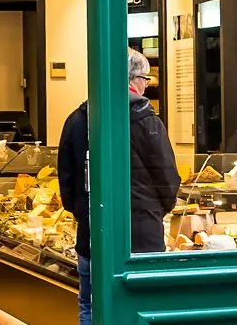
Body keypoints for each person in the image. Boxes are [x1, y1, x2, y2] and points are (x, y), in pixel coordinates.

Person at [57, 47, 181, 325]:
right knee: (144, 307)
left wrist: (82, 212)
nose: (146, 86)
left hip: (92, 233)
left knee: (90, 305)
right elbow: (167, 179)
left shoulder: (77, 120)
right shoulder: (148, 122)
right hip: (143, 237)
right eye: (146, 80)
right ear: (133, 79)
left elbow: (66, 180)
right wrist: (157, 212)